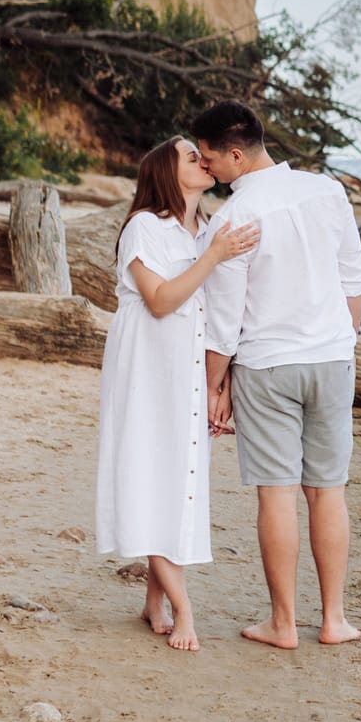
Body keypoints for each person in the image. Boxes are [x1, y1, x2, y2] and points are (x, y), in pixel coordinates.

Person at [191, 100, 361, 649]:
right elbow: (354, 279)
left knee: (277, 493)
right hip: (332, 359)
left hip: (268, 365)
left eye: (210, 159)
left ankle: (284, 623)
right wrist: (340, 340)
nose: (207, 170)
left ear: (237, 155)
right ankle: (334, 620)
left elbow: (223, 320)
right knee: (328, 491)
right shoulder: (327, 191)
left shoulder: (231, 218)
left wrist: (213, 386)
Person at [95, 136, 259, 651]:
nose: (203, 160)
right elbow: (162, 300)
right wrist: (213, 256)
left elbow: (224, 313)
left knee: (180, 479)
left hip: (190, 371)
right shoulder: (144, 227)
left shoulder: (210, 229)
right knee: (151, 477)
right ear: (167, 171)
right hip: (147, 366)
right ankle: (184, 609)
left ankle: (153, 601)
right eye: (192, 156)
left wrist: (221, 384)